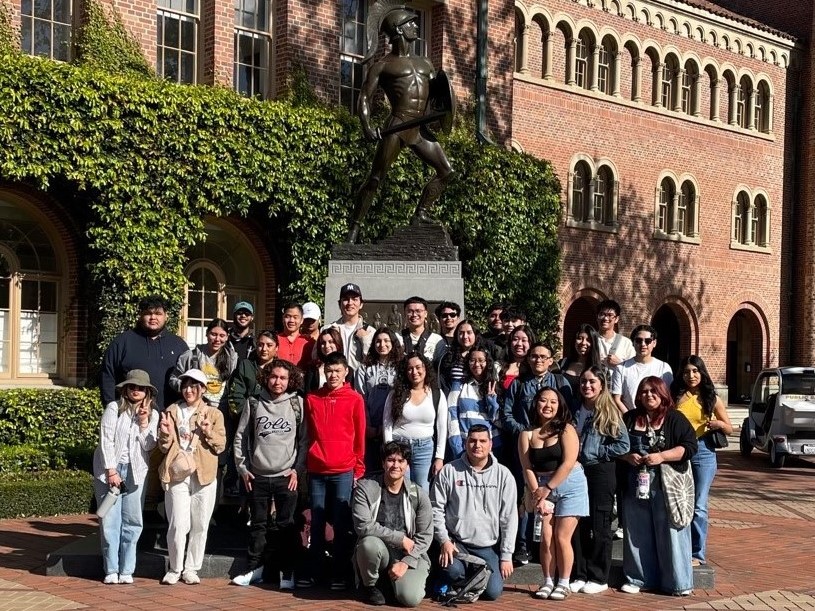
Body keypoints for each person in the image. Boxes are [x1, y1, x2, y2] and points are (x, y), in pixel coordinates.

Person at [347, 6, 453, 242]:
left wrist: (438, 114)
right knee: (375, 178)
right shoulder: (382, 66)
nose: (416, 26)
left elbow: (437, 97)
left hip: (420, 128)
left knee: (447, 171)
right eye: (411, 23)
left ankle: (421, 213)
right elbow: (364, 97)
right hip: (398, 124)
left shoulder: (426, 63)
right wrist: (366, 125)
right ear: (399, 29)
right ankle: (354, 228)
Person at [231, 359, 307, 589]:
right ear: (267, 377)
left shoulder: (297, 404)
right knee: (258, 526)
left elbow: (304, 441)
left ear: (290, 380)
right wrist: (243, 468)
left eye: (283, 378)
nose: (278, 382)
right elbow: (240, 437)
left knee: (287, 526)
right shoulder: (254, 403)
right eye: (274, 377)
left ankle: (287, 572)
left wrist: (297, 470)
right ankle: (254, 569)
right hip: (258, 475)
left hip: (286, 476)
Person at [619, 377, 697, 595]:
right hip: (635, 483)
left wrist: (662, 456)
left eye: (654, 391)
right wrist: (627, 457)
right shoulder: (630, 418)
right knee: (636, 532)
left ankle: (678, 583)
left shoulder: (675, 418)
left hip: (667, 484)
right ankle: (639, 579)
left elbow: (690, 446)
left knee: (671, 532)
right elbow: (614, 445)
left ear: (663, 394)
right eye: (644, 392)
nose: (648, 395)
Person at [502, 341, 572, 566]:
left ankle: (542, 544)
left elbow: (567, 413)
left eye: (543, 356)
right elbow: (507, 413)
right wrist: (524, 433)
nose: (538, 360)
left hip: (552, 448)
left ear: (552, 360)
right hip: (524, 445)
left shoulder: (560, 383)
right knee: (526, 495)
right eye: (534, 356)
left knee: (551, 495)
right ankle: (522, 545)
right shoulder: (519, 384)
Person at [431, 425, 518, 601]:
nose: (477, 445)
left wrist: (506, 555)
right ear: (465, 443)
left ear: (490, 444)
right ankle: (456, 579)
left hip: (486, 547)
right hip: (457, 544)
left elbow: (509, 518)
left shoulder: (504, 475)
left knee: (493, 592)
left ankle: (469, 582)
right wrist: (444, 541)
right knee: (453, 571)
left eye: (482, 441)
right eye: (472, 441)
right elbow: (435, 509)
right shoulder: (449, 471)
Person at [303, 351, 366, 589]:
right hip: (317, 468)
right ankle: (316, 573)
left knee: (341, 523)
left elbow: (359, 436)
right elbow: (308, 433)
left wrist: (358, 468)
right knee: (317, 522)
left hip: (343, 468)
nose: (333, 375)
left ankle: (340, 573)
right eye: (329, 371)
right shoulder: (312, 399)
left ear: (345, 372)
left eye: (337, 371)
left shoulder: (355, 399)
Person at [519, 387, 588, 601]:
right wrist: (536, 494)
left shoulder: (566, 429)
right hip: (540, 485)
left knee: (561, 536)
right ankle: (548, 580)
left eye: (553, 402)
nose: (547, 406)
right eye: (543, 401)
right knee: (546, 538)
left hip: (570, 484)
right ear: (536, 404)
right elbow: (526, 467)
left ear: (559, 406)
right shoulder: (526, 433)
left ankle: (564, 582)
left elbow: (568, 463)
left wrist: (546, 489)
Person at [158, 368, 226, 585]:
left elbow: (220, 446)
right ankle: (175, 567)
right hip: (178, 472)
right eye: (185, 385)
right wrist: (165, 433)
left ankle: (191, 568)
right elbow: (163, 447)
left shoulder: (214, 414)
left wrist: (207, 431)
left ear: (203, 389)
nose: (188, 390)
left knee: (200, 524)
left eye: (193, 386)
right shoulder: (172, 410)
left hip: (203, 473)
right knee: (178, 523)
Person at [93, 369, 160, 584]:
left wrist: (143, 423)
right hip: (110, 470)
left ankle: (127, 570)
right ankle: (111, 568)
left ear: (147, 392)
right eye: (132, 387)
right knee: (110, 521)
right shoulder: (114, 408)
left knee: (133, 520)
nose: (136, 391)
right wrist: (111, 470)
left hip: (136, 471)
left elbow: (149, 446)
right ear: (126, 389)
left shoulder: (153, 414)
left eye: (141, 388)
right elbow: (106, 440)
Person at [569, 366, 630, 594]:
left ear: (601, 385)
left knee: (600, 524)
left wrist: (598, 453)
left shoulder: (609, 411)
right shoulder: (576, 409)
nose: (587, 386)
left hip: (601, 472)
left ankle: (599, 576)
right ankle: (581, 573)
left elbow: (624, 444)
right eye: (584, 381)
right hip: (577, 472)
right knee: (579, 524)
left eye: (592, 382)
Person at [351, 440, 433, 607]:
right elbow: (363, 526)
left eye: (401, 461)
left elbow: (425, 535)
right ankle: (370, 586)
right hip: (380, 549)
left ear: (407, 465)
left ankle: (390, 584)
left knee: (410, 599)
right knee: (368, 544)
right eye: (391, 460)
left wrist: (406, 562)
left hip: (408, 553)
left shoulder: (418, 494)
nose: (395, 465)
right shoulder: (365, 488)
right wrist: (400, 538)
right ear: (383, 463)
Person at [673, 355, 733, 567]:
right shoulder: (676, 396)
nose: (691, 375)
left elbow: (730, 428)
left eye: (695, 371)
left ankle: (697, 554)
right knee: (680, 502)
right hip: (678, 451)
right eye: (687, 371)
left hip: (703, 452)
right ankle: (679, 548)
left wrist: (717, 423)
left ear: (702, 373)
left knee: (699, 505)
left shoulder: (711, 398)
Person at [101, 295, 188, 410]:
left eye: (158, 313)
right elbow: (107, 376)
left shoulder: (178, 345)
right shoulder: (122, 342)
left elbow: (189, 380)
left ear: (166, 316)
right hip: (130, 416)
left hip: (169, 418)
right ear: (141, 315)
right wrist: (111, 407)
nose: (153, 317)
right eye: (148, 313)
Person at [383, 352, 448, 493]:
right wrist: (390, 449)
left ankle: (419, 516)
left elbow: (442, 427)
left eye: (418, 367)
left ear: (425, 369)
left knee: (421, 490)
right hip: (398, 446)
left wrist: (439, 457)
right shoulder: (396, 394)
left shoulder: (437, 394)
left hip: (424, 448)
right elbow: (387, 423)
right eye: (410, 369)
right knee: (398, 488)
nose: (414, 372)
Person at [355, 327, 405, 473]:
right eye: (378, 341)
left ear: (393, 343)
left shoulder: (402, 366)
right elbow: (360, 398)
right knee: (372, 471)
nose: (382, 344)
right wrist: (368, 426)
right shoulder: (364, 368)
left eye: (386, 341)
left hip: (396, 429)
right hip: (371, 429)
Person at [447, 347, 502, 460]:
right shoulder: (460, 385)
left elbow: (498, 421)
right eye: (472, 360)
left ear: (487, 363)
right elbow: (451, 415)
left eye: (481, 360)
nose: (477, 364)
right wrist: (456, 445)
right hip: (464, 445)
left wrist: (492, 403)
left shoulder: (494, 386)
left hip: (491, 446)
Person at [171, 318, 238, 409]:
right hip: (197, 409)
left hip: (224, 410)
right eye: (213, 334)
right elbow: (174, 379)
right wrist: (189, 389)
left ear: (227, 337)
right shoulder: (190, 356)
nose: (217, 339)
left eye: (222, 335)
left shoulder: (232, 358)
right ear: (206, 334)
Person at [612, 325, 673, 413]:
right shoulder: (621, 368)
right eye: (638, 340)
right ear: (633, 342)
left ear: (654, 343)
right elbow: (617, 399)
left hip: (656, 419)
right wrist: (630, 418)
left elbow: (666, 397)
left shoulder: (664, 367)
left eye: (648, 341)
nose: (643, 344)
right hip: (629, 419)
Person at [228, 330, 279, 415]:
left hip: (273, 419)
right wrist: (249, 415)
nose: (264, 349)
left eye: (269, 345)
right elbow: (236, 395)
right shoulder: (245, 366)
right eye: (260, 345)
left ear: (276, 348)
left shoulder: (281, 369)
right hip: (248, 416)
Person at [326, 283, 373, 371]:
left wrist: (365, 340)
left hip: (360, 382)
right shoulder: (328, 330)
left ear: (361, 304)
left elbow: (374, 361)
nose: (350, 303)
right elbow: (317, 358)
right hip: (335, 381)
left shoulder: (370, 331)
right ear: (339, 304)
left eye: (354, 299)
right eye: (346, 299)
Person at [437, 319, 481, 394]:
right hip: (453, 399)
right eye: (461, 333)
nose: (465, 336)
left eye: (469, 333)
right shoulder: (449, 356)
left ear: (475, 335)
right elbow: (443, 381)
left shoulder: (482, 355)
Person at [558, 324, 600, 402]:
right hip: (563, 411)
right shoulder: (562, 364)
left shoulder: (601, 369)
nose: (583, 342)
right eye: (579, 338)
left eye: (588, 340)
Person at [594, 300, 635, 378]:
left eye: (610, 315)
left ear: (616, 319)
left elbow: (634, 369)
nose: (605, 318)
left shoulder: (626, 343)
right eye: (602, 314)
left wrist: (620, 363)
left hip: (617, 387)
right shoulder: (591, 339)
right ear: (597, 317)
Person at [304, 327, 351, 392]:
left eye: (331, 342)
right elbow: (307, 392)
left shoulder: (349, 370)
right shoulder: (313, 368)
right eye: (323, 343)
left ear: (338, 343)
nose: (326, 346)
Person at [401, 296, 443, 361]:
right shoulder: (397, 338)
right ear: (405, 313)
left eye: (418, 311)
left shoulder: (437, 340)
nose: (414, 314)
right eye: (410, 311)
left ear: (425, 313)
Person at [498, 324, 535, 391]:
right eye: (515, 339)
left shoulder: (536, 366)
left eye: (524, 340)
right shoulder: (498, 366)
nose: (519, 344)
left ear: (530, 343)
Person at [277, 302, 314, 370]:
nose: (291, 320)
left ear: (302, 320)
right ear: (283, 318)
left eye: (295, 317)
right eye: (287, 316)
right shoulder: (275, 340)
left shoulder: (309, 342)